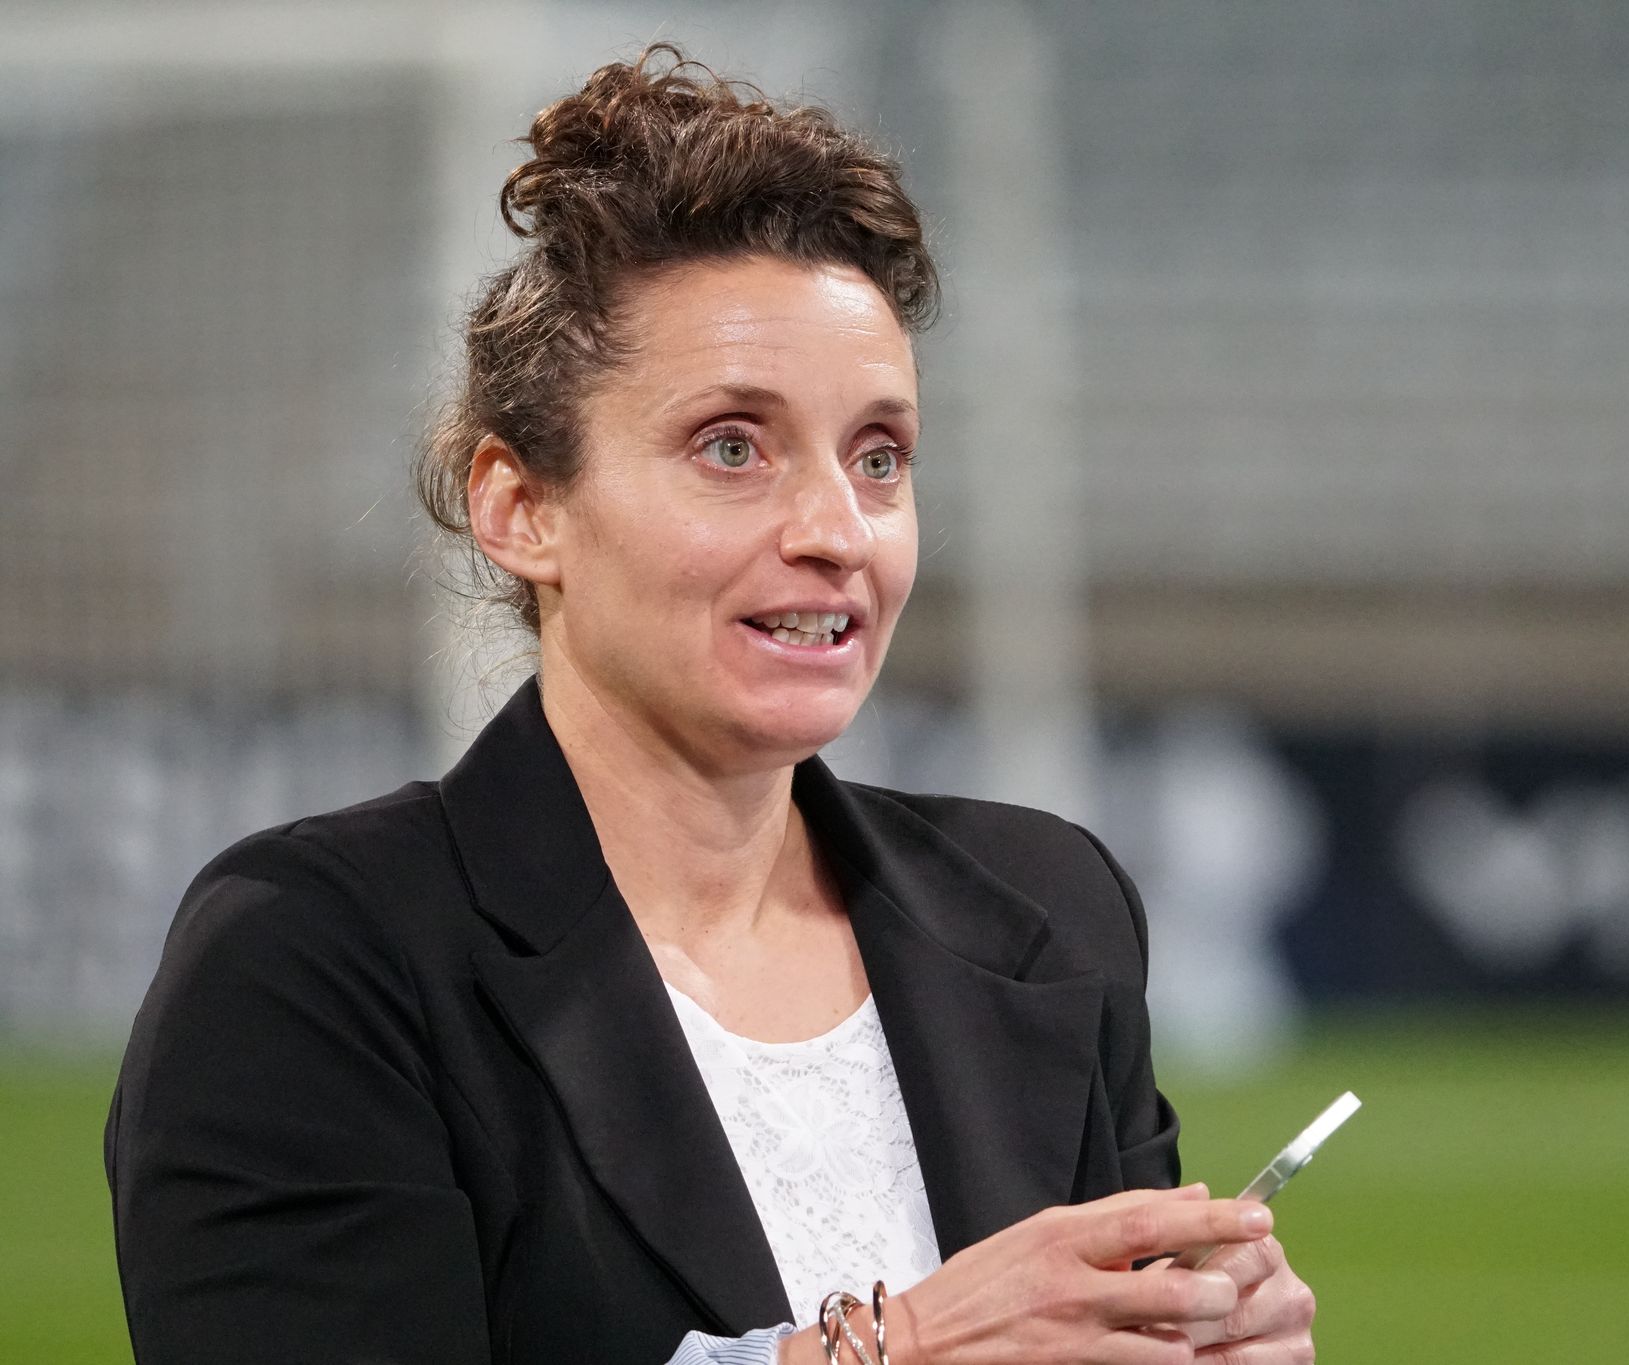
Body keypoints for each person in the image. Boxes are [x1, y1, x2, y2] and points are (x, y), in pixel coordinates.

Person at [105, 46, 1317, 1365]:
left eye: (880, 456)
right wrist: (894, 1350)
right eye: (733, 446)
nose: (835, 530)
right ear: (523, 507)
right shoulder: (314, 960)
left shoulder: (1047, 912)